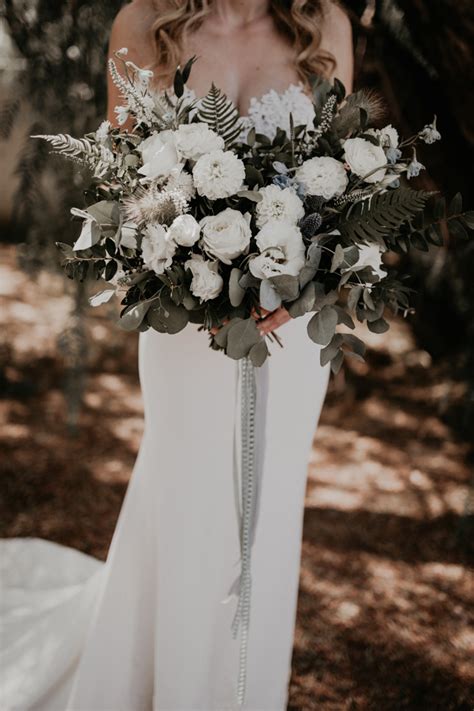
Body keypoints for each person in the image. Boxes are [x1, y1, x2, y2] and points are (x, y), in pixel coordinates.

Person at [0, 1, 353, 709]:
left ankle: (246, 689)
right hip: (186, 325)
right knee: (184, 503)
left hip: (289, 334)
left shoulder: (325, 26)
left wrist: (303, 280)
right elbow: (123, 191)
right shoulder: (143, 24)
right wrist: (191, 262)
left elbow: (341, 190)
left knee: (268, 513)